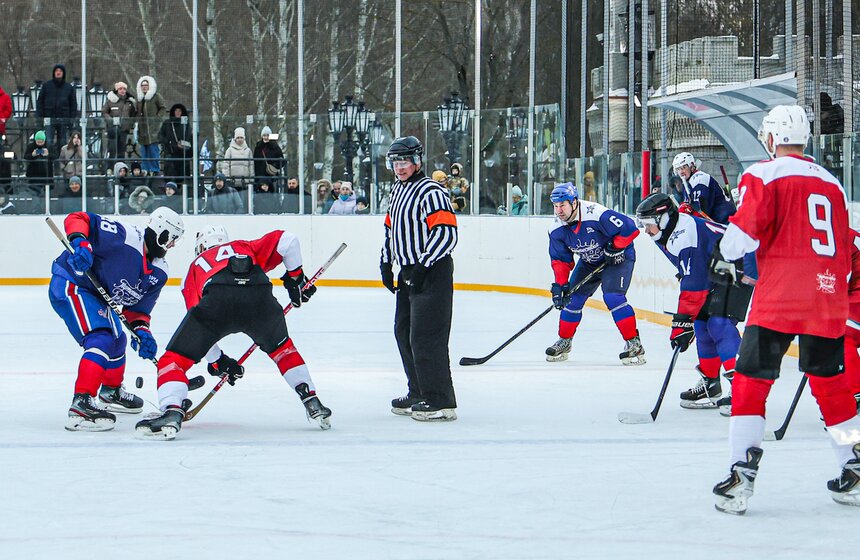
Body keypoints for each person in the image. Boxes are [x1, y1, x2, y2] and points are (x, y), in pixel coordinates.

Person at [710, 104, 860, 514]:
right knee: (832, 387)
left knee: (750, 382)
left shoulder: (763, 173)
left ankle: (742, 471)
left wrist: (724, 251)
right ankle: (854, 464)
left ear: (772, 138)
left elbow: (739, 238)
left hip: (780, 299)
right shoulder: (833, 183)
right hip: (827, 299)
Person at [135, 225, 331, 439]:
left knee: (172, 361)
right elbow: (288, 240)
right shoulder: (243, 247)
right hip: (258, 295)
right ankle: (311, 399)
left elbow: (198, 322)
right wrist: (295, 278)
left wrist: (217, 361)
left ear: (201, 246)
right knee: (283, 350)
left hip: (217, 298)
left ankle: (172, 411)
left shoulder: (194, 268)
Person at [48, 207, 184, 431]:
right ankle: (81, 402)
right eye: (171, 238)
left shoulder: (159, 272)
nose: (172, 245)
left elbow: (137, 312)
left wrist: (142, 332)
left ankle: (111, 391)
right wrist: (81, 242)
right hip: (72, 282)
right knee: (100, 339)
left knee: (118, 340)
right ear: (161, 232)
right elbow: (79, 218)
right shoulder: (125, 237)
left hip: (94, 295)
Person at [635, 192, 754, 410]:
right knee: (700, 326)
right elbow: (690, 273)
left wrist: (681, 323)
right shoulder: (666, 232)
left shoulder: (684, 235)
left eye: (648, 224)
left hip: (741, 265)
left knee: (719, 323)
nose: (646, 230)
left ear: (663, 218)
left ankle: (742, 388)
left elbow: (694, 285)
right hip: (717, 268)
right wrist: (687, 322)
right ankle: (711, 384)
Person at [380, 136, 458, 422]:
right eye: (395, 163)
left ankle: (441, 400)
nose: (399, 168)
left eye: (404, 162)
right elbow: (390, 230)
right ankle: (419, 391)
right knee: (404, 332)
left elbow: (446, 233)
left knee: (427, 336)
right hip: (408, 270)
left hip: (432, 271)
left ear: (417, 162)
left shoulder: (431, 191)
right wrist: (386, 262)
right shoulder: (397, 192)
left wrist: (423, 266)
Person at [546, 182, 645, 365]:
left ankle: (634, 343)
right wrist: (560, 285)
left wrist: (615, 247)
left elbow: (630, 228)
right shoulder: (556, 229)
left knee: (613, 297)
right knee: (572, 298)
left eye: (563, 205)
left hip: (618, 258)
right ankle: (565, 341)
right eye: (556, 206)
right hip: (590, 261)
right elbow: (561, 260)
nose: (559, 210)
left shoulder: (595, 213)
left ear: (574, 202)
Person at [672, 152, 736, 224]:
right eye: (678, 169)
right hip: (717, 222)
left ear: (692, 166)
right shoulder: (687, 182)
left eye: (683, 168)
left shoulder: (700, 179)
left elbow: (701, 211)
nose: (681, 172)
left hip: (725, 221)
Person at [36, 64, 78, 152]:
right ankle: (49, 162)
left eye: (60, 71)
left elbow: (73, 104)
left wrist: (71, 119)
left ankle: (60, 162)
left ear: (63, 73)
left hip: (63, 118)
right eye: (56, 71)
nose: (58, 73)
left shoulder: (69, 88)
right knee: (48, 141)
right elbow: (40, 102)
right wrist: (40, 117)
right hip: (49, 118)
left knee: (62, 142)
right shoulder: (47, 86)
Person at [136, 75, 166, 175]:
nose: (144, 87)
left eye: (146, 85)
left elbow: (162, 108)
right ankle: (145, 170)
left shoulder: (156, 96)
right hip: (142, 130)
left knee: (154, 151)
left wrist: (157, 119)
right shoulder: (140, 99)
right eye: (142, 85)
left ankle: (155, 170)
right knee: (144, 152)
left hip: (153, 130)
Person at [102, 81, 136, 164]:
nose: (122, 90)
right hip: (112, 130)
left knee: (122, 151)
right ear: (116, 90)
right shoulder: (110, 101)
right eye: (120, 89)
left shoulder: (130, 102)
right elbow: (104, 112)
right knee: (112, 150)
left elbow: (133, 114)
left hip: (124, 129)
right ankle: (110, 169)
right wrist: (111, 121)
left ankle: (121, 169)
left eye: (124, 89)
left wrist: (130, 123)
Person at [159, 103, 192, 185]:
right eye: (176, 111)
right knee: (170, 175)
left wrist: (185, 145)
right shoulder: (167, 123)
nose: (177, 113)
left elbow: (190, 137)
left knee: (182, 176)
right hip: (171, 153)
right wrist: (169, 144)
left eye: (179, 111)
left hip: (183, 153)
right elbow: (160, 136)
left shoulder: (186, 124)